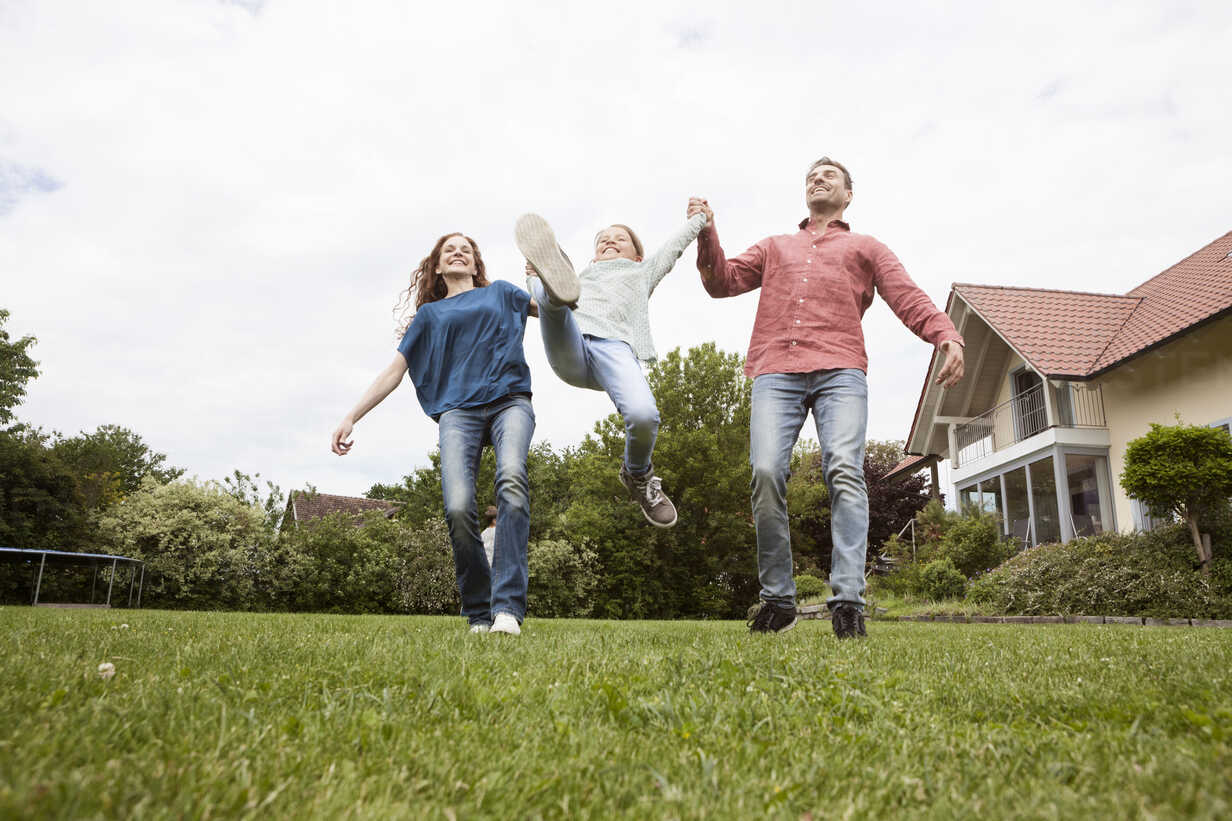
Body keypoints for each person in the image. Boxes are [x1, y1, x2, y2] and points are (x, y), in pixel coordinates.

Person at [690, 157, 965, 639]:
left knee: (843, 468)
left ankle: (847, 602)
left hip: (840, 370)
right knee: (765, 471)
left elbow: (907, 297)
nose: (818, 179)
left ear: (848, 194)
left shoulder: (866, 247)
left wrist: (946, 335)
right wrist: (707, 233)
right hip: (775, 369)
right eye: (811, 176)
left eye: (829, 175)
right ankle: (778, 600)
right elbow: (722, 282)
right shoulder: (775, 246)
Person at [331, 232, 536, 637]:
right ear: (438, 267)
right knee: (458, 507)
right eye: (449, 250)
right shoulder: (429, 316)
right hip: (458, 411)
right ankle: (480, 613)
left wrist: (544, 277)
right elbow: (394, 372)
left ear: (476, 265)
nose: (458, 252)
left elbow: (558, 306)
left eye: (467, 249)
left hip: (510, 400)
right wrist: (352, 415)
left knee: (511, 480)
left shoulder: (501, 293)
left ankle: (508, 609)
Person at [513, 209, 709, 527]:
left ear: (637, 255)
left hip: (615, 347)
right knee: (555, 301)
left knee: (644, 416)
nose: (610, 241)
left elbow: (674, 246)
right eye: (603, 239)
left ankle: (637, 473)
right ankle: (546, 281)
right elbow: (539, 313)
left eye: (620, 238)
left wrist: (699, 218)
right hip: (570, 346)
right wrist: (534, 277)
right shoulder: (579, 280)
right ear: (594, 254)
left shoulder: (642, 272)